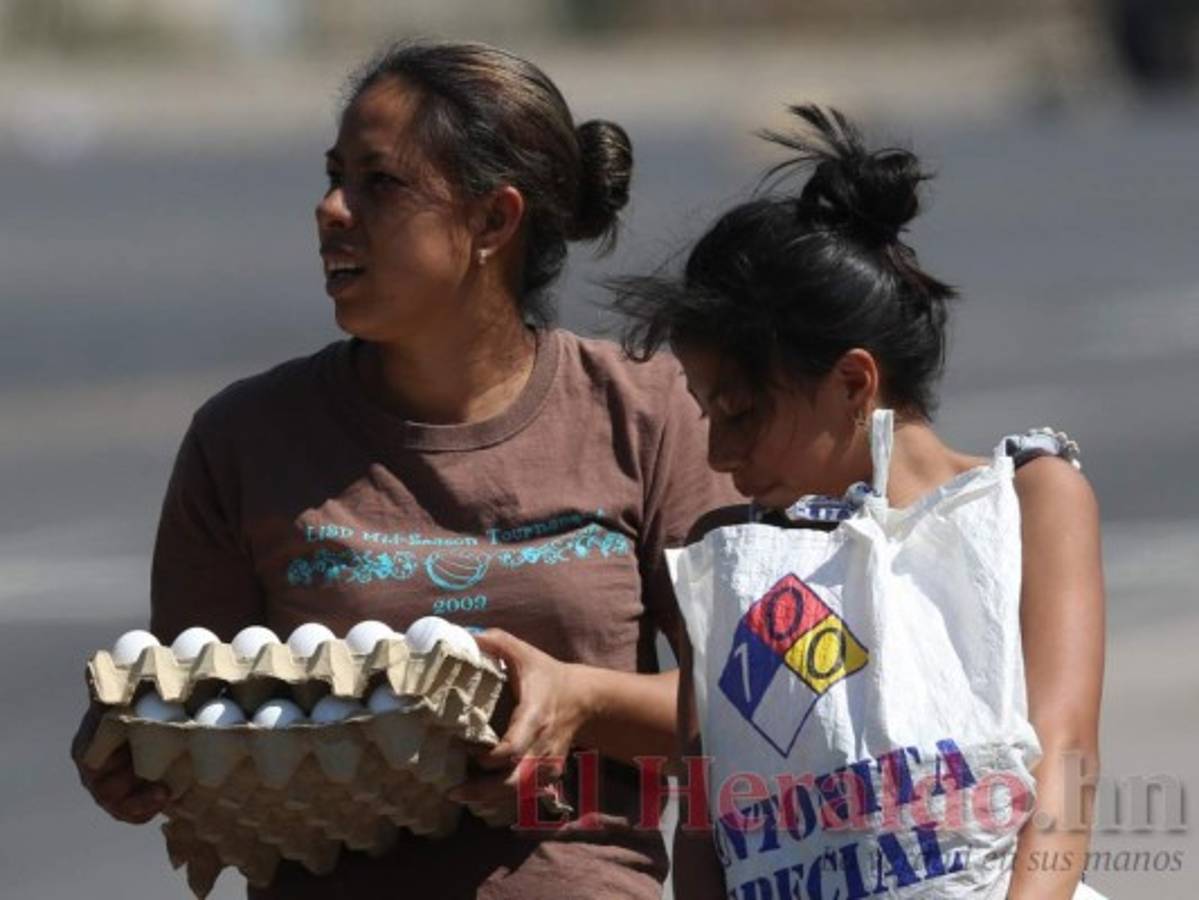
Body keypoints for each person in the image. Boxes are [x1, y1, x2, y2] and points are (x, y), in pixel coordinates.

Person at [70, 39, 738, 898]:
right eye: (331, 175)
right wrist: (133, 753)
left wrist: (580, 705)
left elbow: (750, 710)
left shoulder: (643, 412)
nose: (330, 209)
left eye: (379, 183)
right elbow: (198, 713)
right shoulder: (245, 438)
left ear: (494, 221)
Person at [615, 106, 1106, 899]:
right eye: (707, 416)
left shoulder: (1030, 500)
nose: (717, 454)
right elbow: (707, 832)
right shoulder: (733, 559)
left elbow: (1065, 758)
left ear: (852, 382)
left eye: (740, 413)